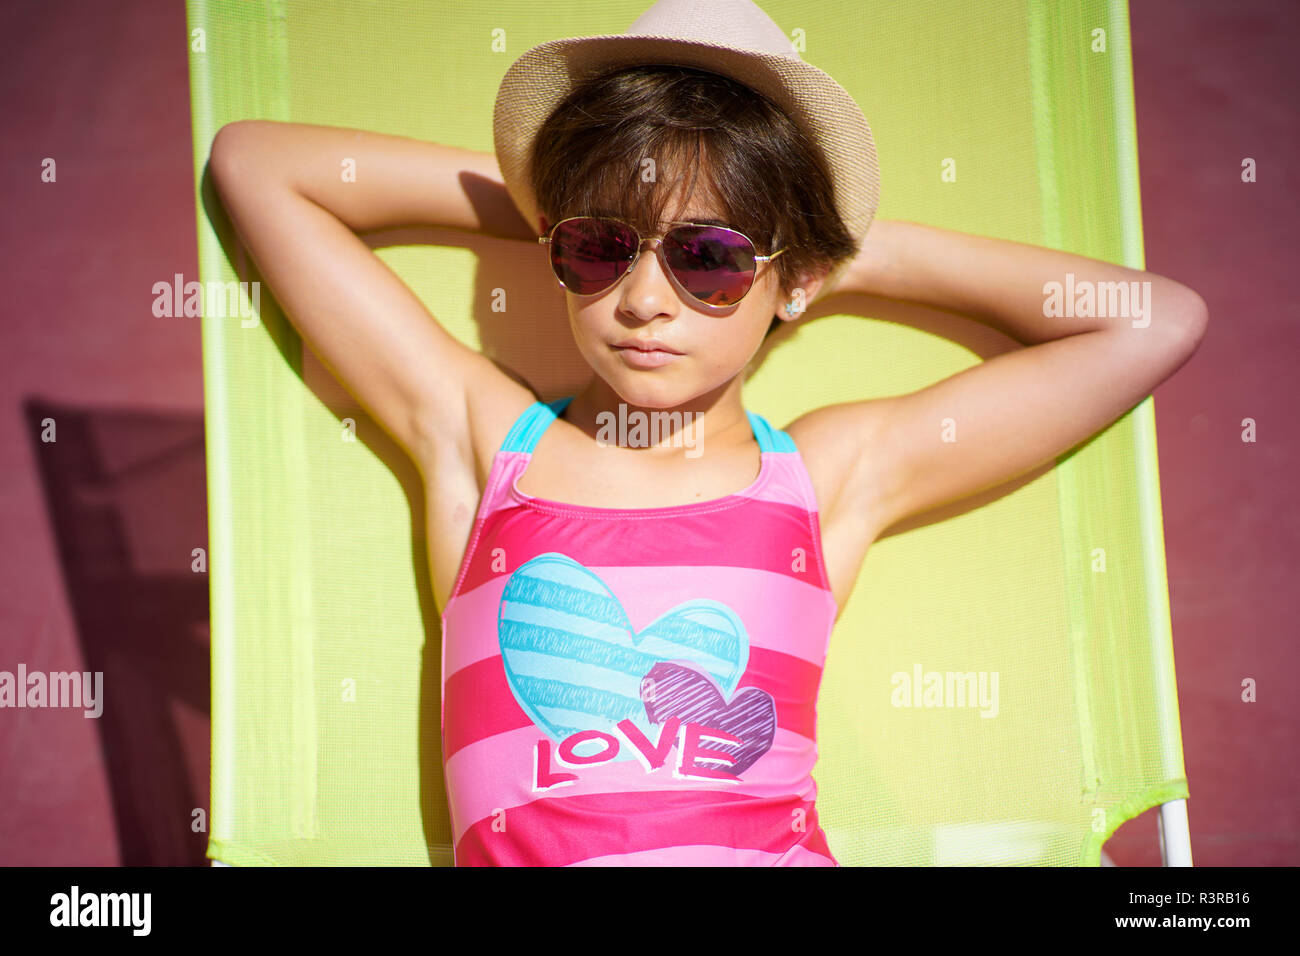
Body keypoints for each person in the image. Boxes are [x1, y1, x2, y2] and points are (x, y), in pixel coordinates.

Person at [207, 0, 1208, 866]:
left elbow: (1152, 319)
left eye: (711, 257)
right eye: (597, 248)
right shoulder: (479, 443)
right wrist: (570, 194)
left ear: (794, 277)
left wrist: (829, 247)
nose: (643, 298)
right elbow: (256, 165)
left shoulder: (824, 476)